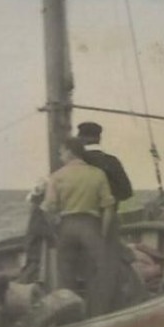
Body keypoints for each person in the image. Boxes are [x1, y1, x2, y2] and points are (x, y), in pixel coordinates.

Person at [43, 140, 116, 314]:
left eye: (61, 152)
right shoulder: (98, 174)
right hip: (91, 225)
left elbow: (49, 208)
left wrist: (56, 229)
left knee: (66, 273)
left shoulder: (57, 176)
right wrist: (103, 233)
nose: (60, 157)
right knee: (99, 271)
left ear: (69, 152)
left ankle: (70, 315)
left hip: (67, 225)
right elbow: (108, 207)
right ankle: (97, 313)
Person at [74, 121, 133, 204]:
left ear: (80, 139)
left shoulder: (75, 161)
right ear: (99, 139)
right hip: (108, 211)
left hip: (81, 212)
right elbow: (126, 192)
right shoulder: (112, 161)